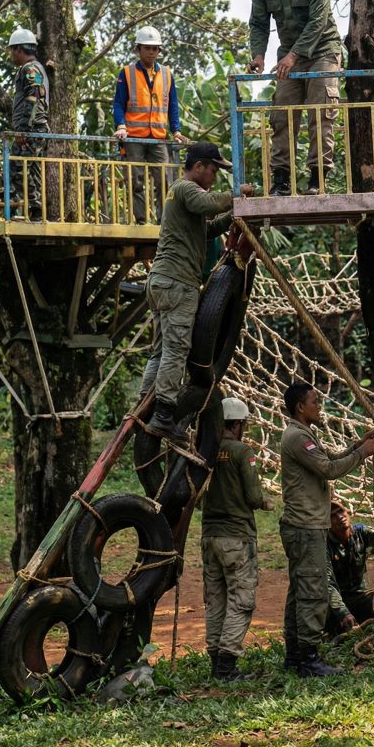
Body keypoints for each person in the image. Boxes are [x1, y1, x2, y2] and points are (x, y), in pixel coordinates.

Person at [140, 141, 249, 445]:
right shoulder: (188, 189)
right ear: (198, 166)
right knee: (176, 349)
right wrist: (237, 197)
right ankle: (163, 415)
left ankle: (145, 406)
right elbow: (210, 205)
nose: (215, 176)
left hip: (163, 281)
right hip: (177, 282)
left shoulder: (181, 194)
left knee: (161, 350)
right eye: (214, 170)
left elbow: (209, 228)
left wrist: (234, 215)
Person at [279, 382, 374, 677]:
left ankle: (295, 655)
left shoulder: (304, 435)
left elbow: (328, 459)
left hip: (304, 525)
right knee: (311, 591)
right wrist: (363, 454)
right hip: (305, 526)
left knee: (299, 589)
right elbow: (329, 470)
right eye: (315, 402)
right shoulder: (297, 437)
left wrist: (358, 447)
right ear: (300, 407)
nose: (319, 406)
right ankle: (308, 659)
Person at [248, 0, 342, 197]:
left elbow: (318, 20)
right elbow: (258, 23)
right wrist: (258, 55)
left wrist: (293, 55)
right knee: (282, 115)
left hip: (322, 51)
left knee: (320, 112)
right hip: (289, 58)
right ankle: (282, 180)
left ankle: (318, 177)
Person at [201, 397, 276, 682]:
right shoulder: (242, 452)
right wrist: (265, 503)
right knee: (240, 600)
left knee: (215, 600)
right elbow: (254, 496)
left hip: (209, 536)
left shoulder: (206, 451)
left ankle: (214, 662)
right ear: (238, 424)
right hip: (236, 537)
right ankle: (227, 666)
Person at [112, 26, 188, 224]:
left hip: (158, 136)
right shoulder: (127, 73)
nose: (152, 52)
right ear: (138, 49)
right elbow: (118, 103)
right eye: (147, 48)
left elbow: (172, 105)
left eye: (155, 48)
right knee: (135, 180)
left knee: (165, 180)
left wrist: (176, 131)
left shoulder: (166, 74)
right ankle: (141, 220)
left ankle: (165, 221)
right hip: (134, 137)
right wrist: (121, 126)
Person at [325, 501, 374, 636]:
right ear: (326, 523)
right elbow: (327, 583)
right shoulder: (324, 544)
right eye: (333, 516)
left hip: (360, 597)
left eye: (341, 512)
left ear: (348, 513)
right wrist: (343, 613)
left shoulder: (360, 532)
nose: (340, 517)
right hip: (335, 604)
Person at [7, 27, 50, 222]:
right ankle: (36, 211)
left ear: (18, 49)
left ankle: (36, 208)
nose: (11, 55)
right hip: (33, 128)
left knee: (16, 167)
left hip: (32, 129)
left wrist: (24, 129)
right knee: (30, 170)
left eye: (11, 50)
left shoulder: (30, 68)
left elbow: (35, 97)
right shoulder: (32, 68)